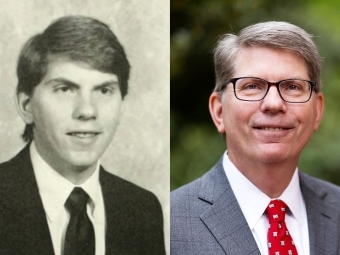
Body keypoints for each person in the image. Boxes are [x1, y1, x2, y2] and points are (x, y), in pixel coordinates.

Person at [171, 21, 340, 255]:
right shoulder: (165, 224)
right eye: (252, 86)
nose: (273, 104)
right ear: (219, 111)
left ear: (317, 111)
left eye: (292, 87)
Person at [0, 15, 165, 255]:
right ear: (27, 105)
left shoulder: (141, 210)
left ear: (122, 104)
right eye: (65, 89)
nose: (87, 111)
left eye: (104, 90)